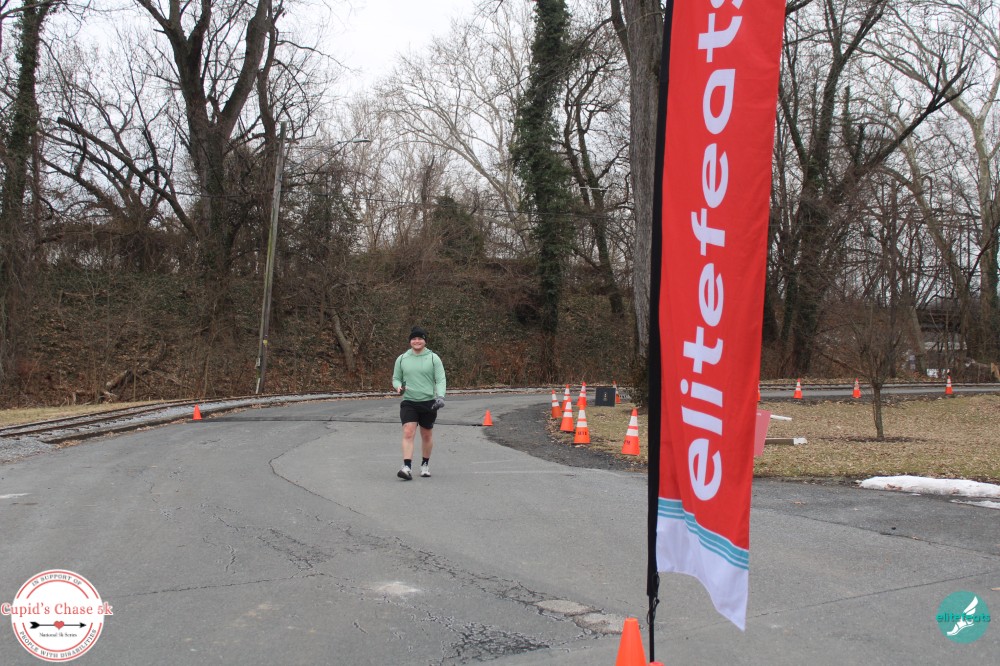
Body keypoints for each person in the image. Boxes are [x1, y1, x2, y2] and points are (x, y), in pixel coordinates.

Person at [391, 326, 447, 480]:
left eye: (420, 338)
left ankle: (425, 465)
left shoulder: (433, 358)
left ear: (425, 341)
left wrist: (440, 396)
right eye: (414, 339)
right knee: (408, 432)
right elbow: (396, 378)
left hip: (429, 402)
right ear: (410, 341)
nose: (417, 341)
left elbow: (440, 379)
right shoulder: (402, 358)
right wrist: (398, 386)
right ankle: (406, 467)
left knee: (426, 434)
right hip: (409, 401)